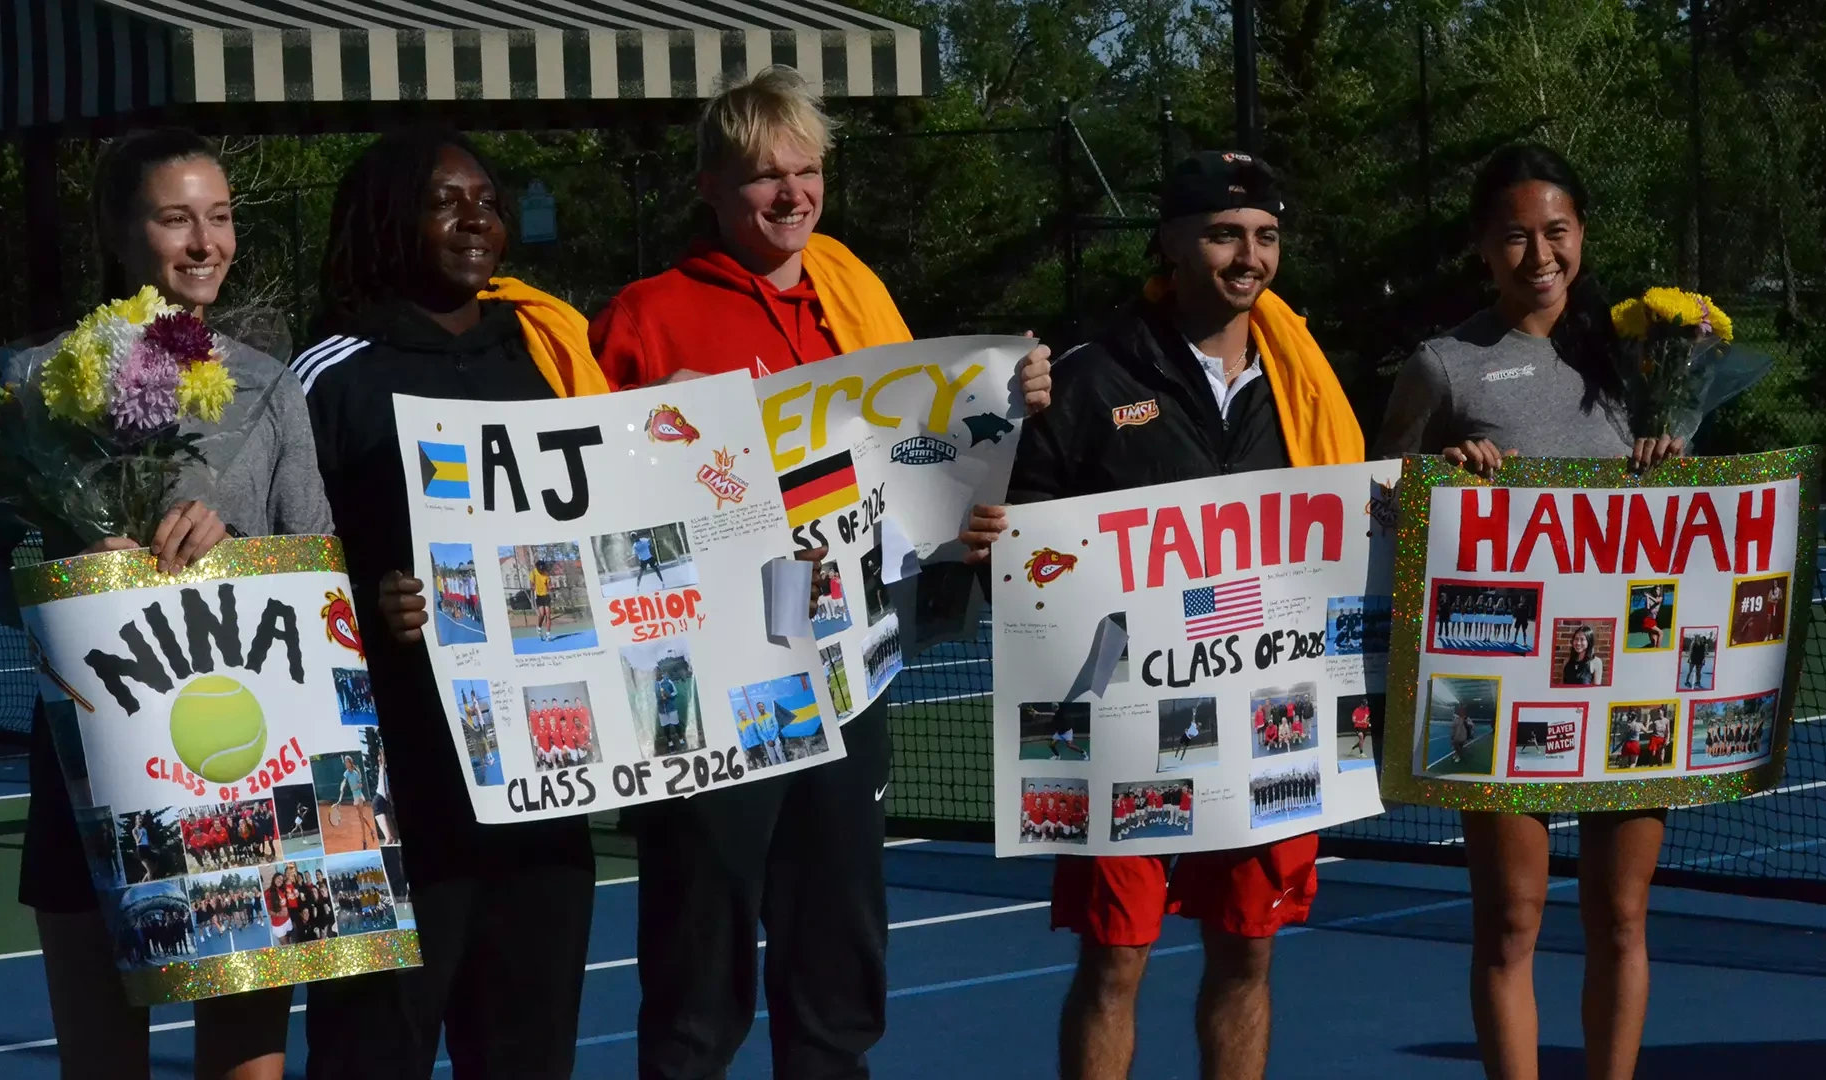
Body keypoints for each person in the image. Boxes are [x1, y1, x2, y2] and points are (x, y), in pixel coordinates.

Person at [585, 66, 1051, 1080]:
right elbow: (597, 513)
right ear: (710, 187)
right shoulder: (645, 316)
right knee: (698, 972)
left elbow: (922, 484)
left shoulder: (857, 307)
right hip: (713, 683)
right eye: (763, 176)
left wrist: (996, 421)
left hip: (851, 671)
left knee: (838, 955)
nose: (792, 193)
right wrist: (648, 427)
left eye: (807, 170)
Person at [961, 149, 1364, 1080]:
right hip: (1123, 730)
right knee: (1114, 961)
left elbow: (1357, 530)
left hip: (1267, 725)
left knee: (1249, 952)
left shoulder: (1310, 386)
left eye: (1265, 236)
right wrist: (998, 551)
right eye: (1224, 234)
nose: (1247, 257)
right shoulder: (1087, 377)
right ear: (1172, 243)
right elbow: (1021, 562)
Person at [0, 128, 330, 1080]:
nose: (205, 243)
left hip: (248, 770)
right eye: (175, 218)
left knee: (246, 1070)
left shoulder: (268, 386)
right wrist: (70, 584)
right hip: (88, 766)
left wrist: (239, 553)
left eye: (219, 219)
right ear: (114, 229)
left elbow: (319, 570)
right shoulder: (31, 381)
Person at [296, 127, 607, 1079]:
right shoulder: (330, 375)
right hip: (390, 789)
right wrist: (363, 602)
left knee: (527, 1048)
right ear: (393, 221)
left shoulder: (553, 352)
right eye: (445, 201)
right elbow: (283, 566)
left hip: (541, 781)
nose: (476, 220)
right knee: (372, 1048)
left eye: (488, 201)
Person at [1375, 143, 1685, 1080]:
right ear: (1483, 246)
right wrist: (1440, 474)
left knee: (1620, 917)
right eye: (1516, 235)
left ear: (1582, 234)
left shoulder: (1639, 358)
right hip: (1498, 681)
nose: (1539, 253)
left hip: (1631, 677)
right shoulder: (1443, 364)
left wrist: (1673, 457)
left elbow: (1683, 521)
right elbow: (1377, 497)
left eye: (1556, 231)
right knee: (1512, 920)